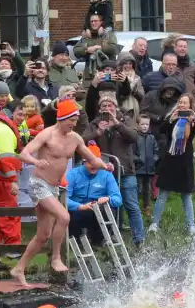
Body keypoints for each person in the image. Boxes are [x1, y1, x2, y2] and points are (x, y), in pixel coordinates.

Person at [10, 99, 111, 287]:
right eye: (71, 120)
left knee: (43, 235)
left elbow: (92, 158)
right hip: (38, 184)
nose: (74, 123)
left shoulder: (75, 139)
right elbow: (24, 153)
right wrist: (35, 162)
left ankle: (19, 268)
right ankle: (56, 258)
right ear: (62, 118)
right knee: (64, 217)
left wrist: (106, 166)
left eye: (76, 120)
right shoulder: (47, 135)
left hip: (54, 187)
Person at [82, 92, 144, 246]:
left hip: (126, 170)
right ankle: (109, 238)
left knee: (131, 206)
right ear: (99, 109)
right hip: (104, 173)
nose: (107, 108)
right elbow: (82, 141)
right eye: (104, 106)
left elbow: (134, 137)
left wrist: (118, 125)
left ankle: (139, 240)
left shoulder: (126, 120)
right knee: (109, 207)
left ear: (116, 107)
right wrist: (98, 133)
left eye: (110, 105)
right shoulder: (95, 123)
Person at [147, 92, 195, 234]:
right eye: (181, 102)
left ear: (190, 105)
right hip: (170, 160)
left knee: (186, 195)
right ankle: (155, 224)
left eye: (185, 103)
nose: (182, 105)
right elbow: (161, 130)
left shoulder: (192, 119)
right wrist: (170, 120)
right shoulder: (172, 117)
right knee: (163, 194)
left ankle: (191, 226)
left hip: (184, 161)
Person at [0, 84, 23, 249]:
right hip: (1, 180)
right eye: (20, 114)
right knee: (9, 214)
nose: (23, 118)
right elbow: (6, 159)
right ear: (11, 114)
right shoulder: (6, 131)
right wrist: (13, 180)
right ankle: (12, 250)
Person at [65, 142, 122, 246]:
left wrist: (108, 198)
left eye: (96, 163)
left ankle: (99, 241)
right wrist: (80, 206)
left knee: (109, 208)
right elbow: (63, 199)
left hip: (97, 209)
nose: (94, 166)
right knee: (66, 213)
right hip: (78, 209)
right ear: (84, 161)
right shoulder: (73, 174)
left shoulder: (106, 175)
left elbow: (118, 199)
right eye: (90, 163)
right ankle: (75, 240)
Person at [133, 113, 157, 214]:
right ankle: (135, 207)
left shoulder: (152, 138)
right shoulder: (135, 138)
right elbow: (132, 152)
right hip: (139, 168)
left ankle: (146, 207)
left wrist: (154, 159)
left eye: (147, 124)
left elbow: (156, 151)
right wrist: (137, 159)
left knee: (147, 189)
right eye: (142, 124)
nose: (145, 126)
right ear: (138, 125)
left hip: (149, 168)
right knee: (138, 188)